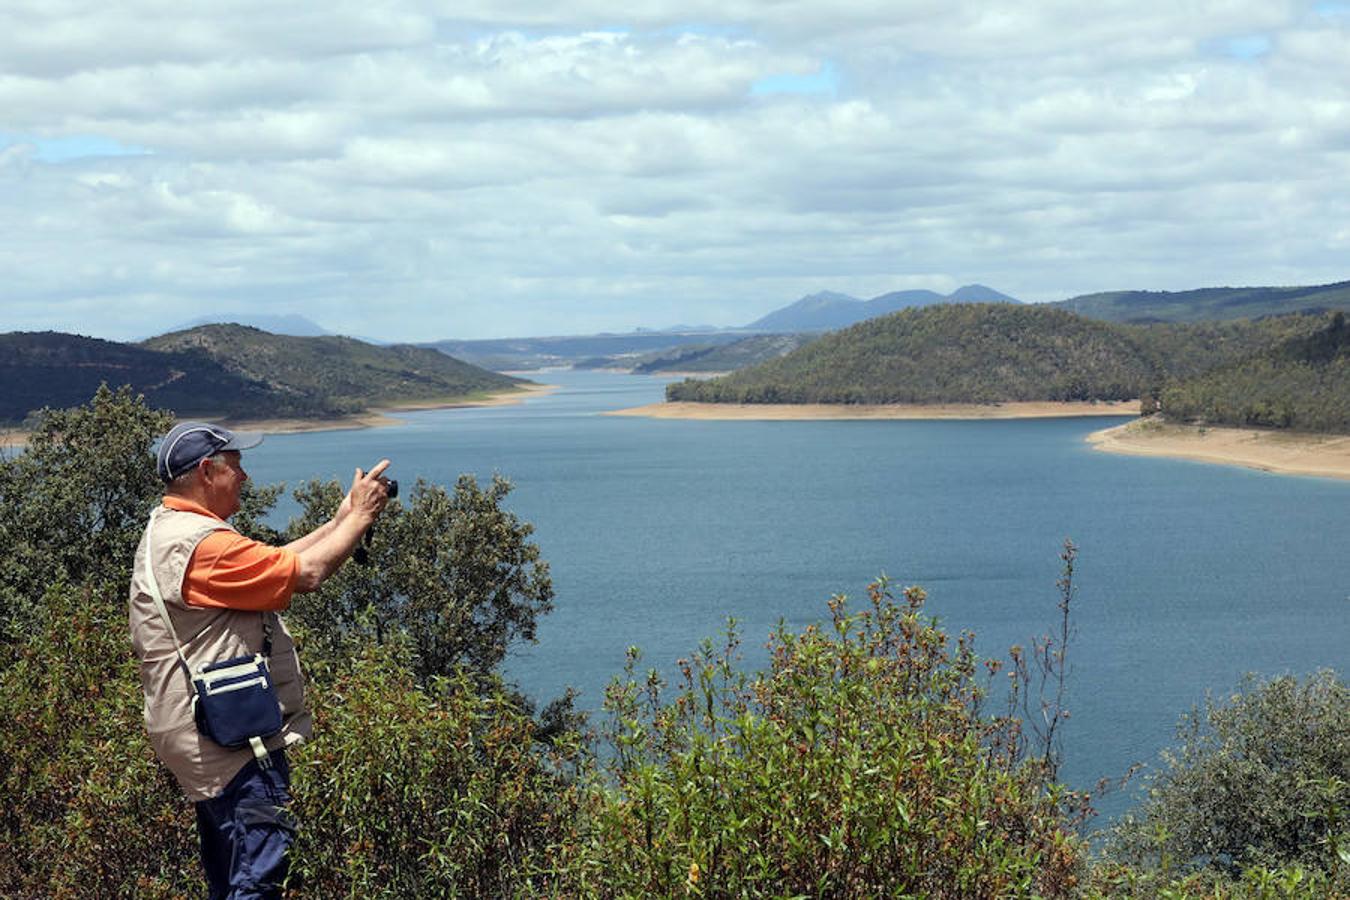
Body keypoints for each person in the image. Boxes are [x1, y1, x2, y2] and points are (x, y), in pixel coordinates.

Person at [129, 421, 391, 899]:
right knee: (259, 877)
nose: (245, 477)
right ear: (207, 472)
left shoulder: (175, 530)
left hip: (202, 735)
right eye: (237, 466)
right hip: (231, 744)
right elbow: (307, 574)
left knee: (232, 874)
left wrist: (340, 522)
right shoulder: (203, 545)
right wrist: (363, 516)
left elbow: (275, 563)